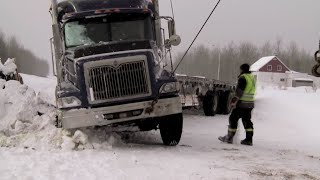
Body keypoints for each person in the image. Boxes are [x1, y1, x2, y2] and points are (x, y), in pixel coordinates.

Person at [218, 63, 256, 146]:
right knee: (247, 120)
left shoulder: (243, 78)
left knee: (233, 118)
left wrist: (233, 101)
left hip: (242, 103)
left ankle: (229, 138)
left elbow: (239, 92)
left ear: (242, 69)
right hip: (250, 103)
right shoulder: (252, 77)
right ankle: (249, 140)